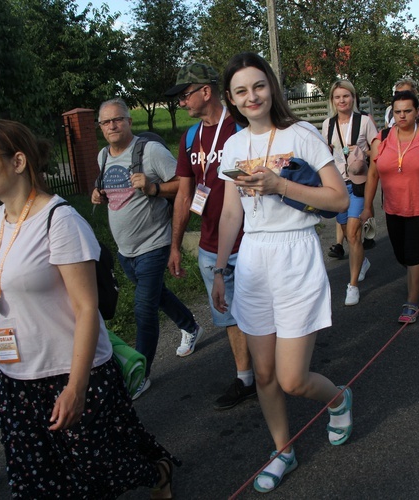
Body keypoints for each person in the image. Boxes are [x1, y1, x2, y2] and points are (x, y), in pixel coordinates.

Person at [0, 119, 178, 498]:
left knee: (103, 467)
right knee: (36, 476)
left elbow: (86, 308)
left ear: (17, 162)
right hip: (17, 375)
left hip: (72, 370)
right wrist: (2, 357)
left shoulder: (59, 220)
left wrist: (76, 387)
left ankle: (156, 471)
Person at [213, 52, 352, 494]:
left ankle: (337, 398)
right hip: (253, 259)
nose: (251, 96)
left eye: (257, 86)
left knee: (293, 378)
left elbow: (339, 200)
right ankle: (283, 450)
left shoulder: (301, 134)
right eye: (240, 91)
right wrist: (219, 269)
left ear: (270, 86)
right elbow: (232, 212)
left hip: (296, 254)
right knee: (266, 373)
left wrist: (280, 185)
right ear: (232, 100)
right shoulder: (234, 146)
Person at [91, 98, 202, 399]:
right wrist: (98, 193)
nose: (112, 126)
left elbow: (183, 183)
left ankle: (140, 374)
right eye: (106, 122)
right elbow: (109, 186)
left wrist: (153, 188)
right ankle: (190, 326)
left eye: (118, 119)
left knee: (143, 309)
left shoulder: (149, 151)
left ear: (129, 121)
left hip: (154, 244)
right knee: (156, 295)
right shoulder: (103, 155)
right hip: (125, 251)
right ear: (101, 127)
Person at [164, 62, 256, 410]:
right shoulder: (189, 137)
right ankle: (245, 378)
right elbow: (186, 194)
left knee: (261, 310)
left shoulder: (241, 127)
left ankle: (275, 371)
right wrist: (175, 244)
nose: (182, 102)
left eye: (185, 94)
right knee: (228, 316)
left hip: (250, 240)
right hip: (209, 246)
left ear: (206, 91)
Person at [361, 90, 419, 324]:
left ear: (417, 112)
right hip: (392, 208)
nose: (402, 116)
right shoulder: (381, 139)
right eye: (398, 112)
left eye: (407, 111)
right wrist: (368, 207)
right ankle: (416, 275)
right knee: (401, 255)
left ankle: (412, 302)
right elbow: (372, 175)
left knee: (413, 255)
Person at [321, 79, 378, 305]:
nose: (342, 100)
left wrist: (363, 152)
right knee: (345, 231)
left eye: (346, 96)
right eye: (337, 97)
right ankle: (362, 260)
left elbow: (377, 151)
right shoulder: (328, 124)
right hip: (338, 184)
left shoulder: (364, 121)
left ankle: (352, 285)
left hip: (358, 182)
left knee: (354, 233)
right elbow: (326, 152)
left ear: (353, 98)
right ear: (332, 101)